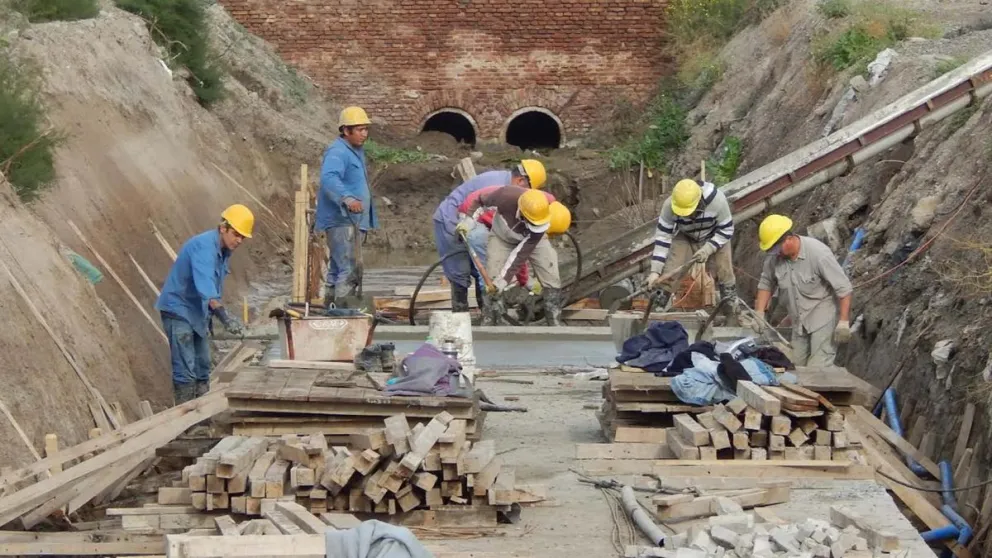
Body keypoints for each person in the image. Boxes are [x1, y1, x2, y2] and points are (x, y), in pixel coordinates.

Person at [155, 205, 252, 405]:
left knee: (203, 367)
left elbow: (212, 289)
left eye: (243, 237)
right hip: (178, 310)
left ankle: (201, 417)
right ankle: (186, 423)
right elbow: (207, 289)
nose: (239, 240)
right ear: (223, 227)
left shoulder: (223, 251)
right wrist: (225, 318)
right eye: (236, 234)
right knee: (186, 370)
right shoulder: (204, 248)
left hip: (196, 312)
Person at [432, 160, 546, 312]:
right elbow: (511, 243)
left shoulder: (505, 184)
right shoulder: (502, 192)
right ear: (520, 180)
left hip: (471, 220)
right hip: (451, 220)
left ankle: (484, 314)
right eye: (528, 190)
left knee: (483, 270)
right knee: (461, 272)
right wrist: (525, 280)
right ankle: (463, 316)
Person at [752, 214, 853, 367]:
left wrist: (844, 322)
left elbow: (844, 288)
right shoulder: (774, 258)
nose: (775, 253)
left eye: (776, 248)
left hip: (822, 318)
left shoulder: (818, 254)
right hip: (798, 321)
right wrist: (759, 312)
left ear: (788, 239)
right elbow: (766, 283)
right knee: (796, 367)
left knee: (817, 369)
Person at [458, 187, 564, 325]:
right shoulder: (505, 196)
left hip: (533, 239)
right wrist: (468, 221)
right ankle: (491, 320)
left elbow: (520, 255)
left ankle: (554, 321)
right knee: (493, 278)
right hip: (502, 237)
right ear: (522, 212)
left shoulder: (542, 218)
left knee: (551, 275)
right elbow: (479, 201)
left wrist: (505, 281)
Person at [316, 106, 377, 308]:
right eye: (360, 130)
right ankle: (343, 311)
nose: (364, 134)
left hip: (351, 220)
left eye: (366, 129)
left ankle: (330, 307)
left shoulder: (355, 151)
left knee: (337, 268)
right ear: (345, 130)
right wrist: (348, 199)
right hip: (341, 220)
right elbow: (328, 178)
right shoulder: (338, 151)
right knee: (348, 269)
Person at [646, 178, 736, 308]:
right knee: (673, 266)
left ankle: (730, 306)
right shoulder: (669, 206)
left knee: (724, 267)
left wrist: (708, 248)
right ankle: (658, 304)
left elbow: (727, 229)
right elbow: (663, 237)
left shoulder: (717, 200)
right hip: (686, 235)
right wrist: (655, 271)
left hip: (714, 235)